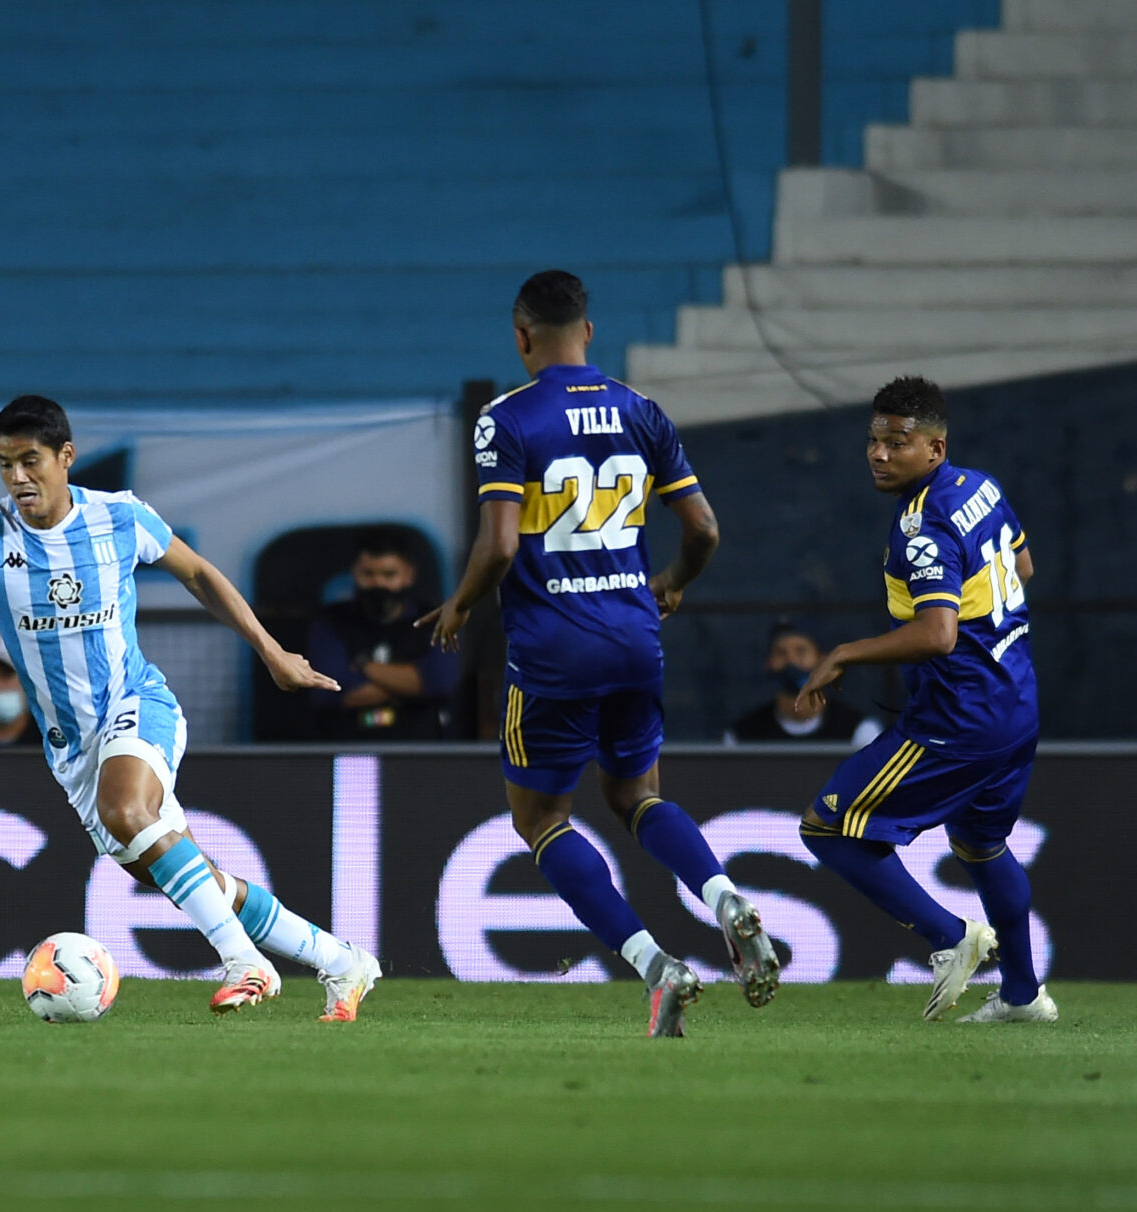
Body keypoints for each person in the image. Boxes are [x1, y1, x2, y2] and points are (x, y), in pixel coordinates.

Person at [0, 394, 383, 1020]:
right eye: (4, 464)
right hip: (71, 748)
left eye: (30, 461)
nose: (17, 478)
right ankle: (343, 962)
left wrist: (272, 652)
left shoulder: (119, 519)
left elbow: (198, 574)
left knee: (126, 807)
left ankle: (245, 963)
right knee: (191, 878)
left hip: (136, 703)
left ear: (66, 457)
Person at [422, 269, 780, 1037]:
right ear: (589, 331)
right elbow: (706, 528)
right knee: (636, 795)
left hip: (553, 649)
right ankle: (725, 899)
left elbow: (500, 543)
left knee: (542, 818)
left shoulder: (507, 419)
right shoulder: (641, 410)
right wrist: (675, 582)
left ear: (521, 338)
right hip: (634, 639)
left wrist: (458, 605)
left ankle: (659, 967)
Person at [796, 375, 1053, 1023]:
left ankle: (949, 936)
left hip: (959, 716)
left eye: (897, 442)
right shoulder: (981, 486)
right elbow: (1023, 570)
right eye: (874, 440)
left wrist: (844, 653)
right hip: (1016, 703)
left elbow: (938, 636)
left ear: (933, 448)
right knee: (980, 842)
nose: (879, 454)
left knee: (827, 825)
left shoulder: (922, 523)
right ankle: (1023, 996)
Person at [306, 529, 460, 739]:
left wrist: (363, 666)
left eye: (389, 575)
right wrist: (412, 689)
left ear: (409, 575)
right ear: (354, 572)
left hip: (421, 753)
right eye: (368, 574)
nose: (378, 584)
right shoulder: (330, 622)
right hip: (351, 754)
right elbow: (327, 693)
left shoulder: (432, 621)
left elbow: (439, 683)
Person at [725, 620, 881, 747]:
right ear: (768, 663)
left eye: (801, 651)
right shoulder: (742, 736)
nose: (791, 660)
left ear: (823, 660)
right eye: (781, 653)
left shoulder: (859, 731)